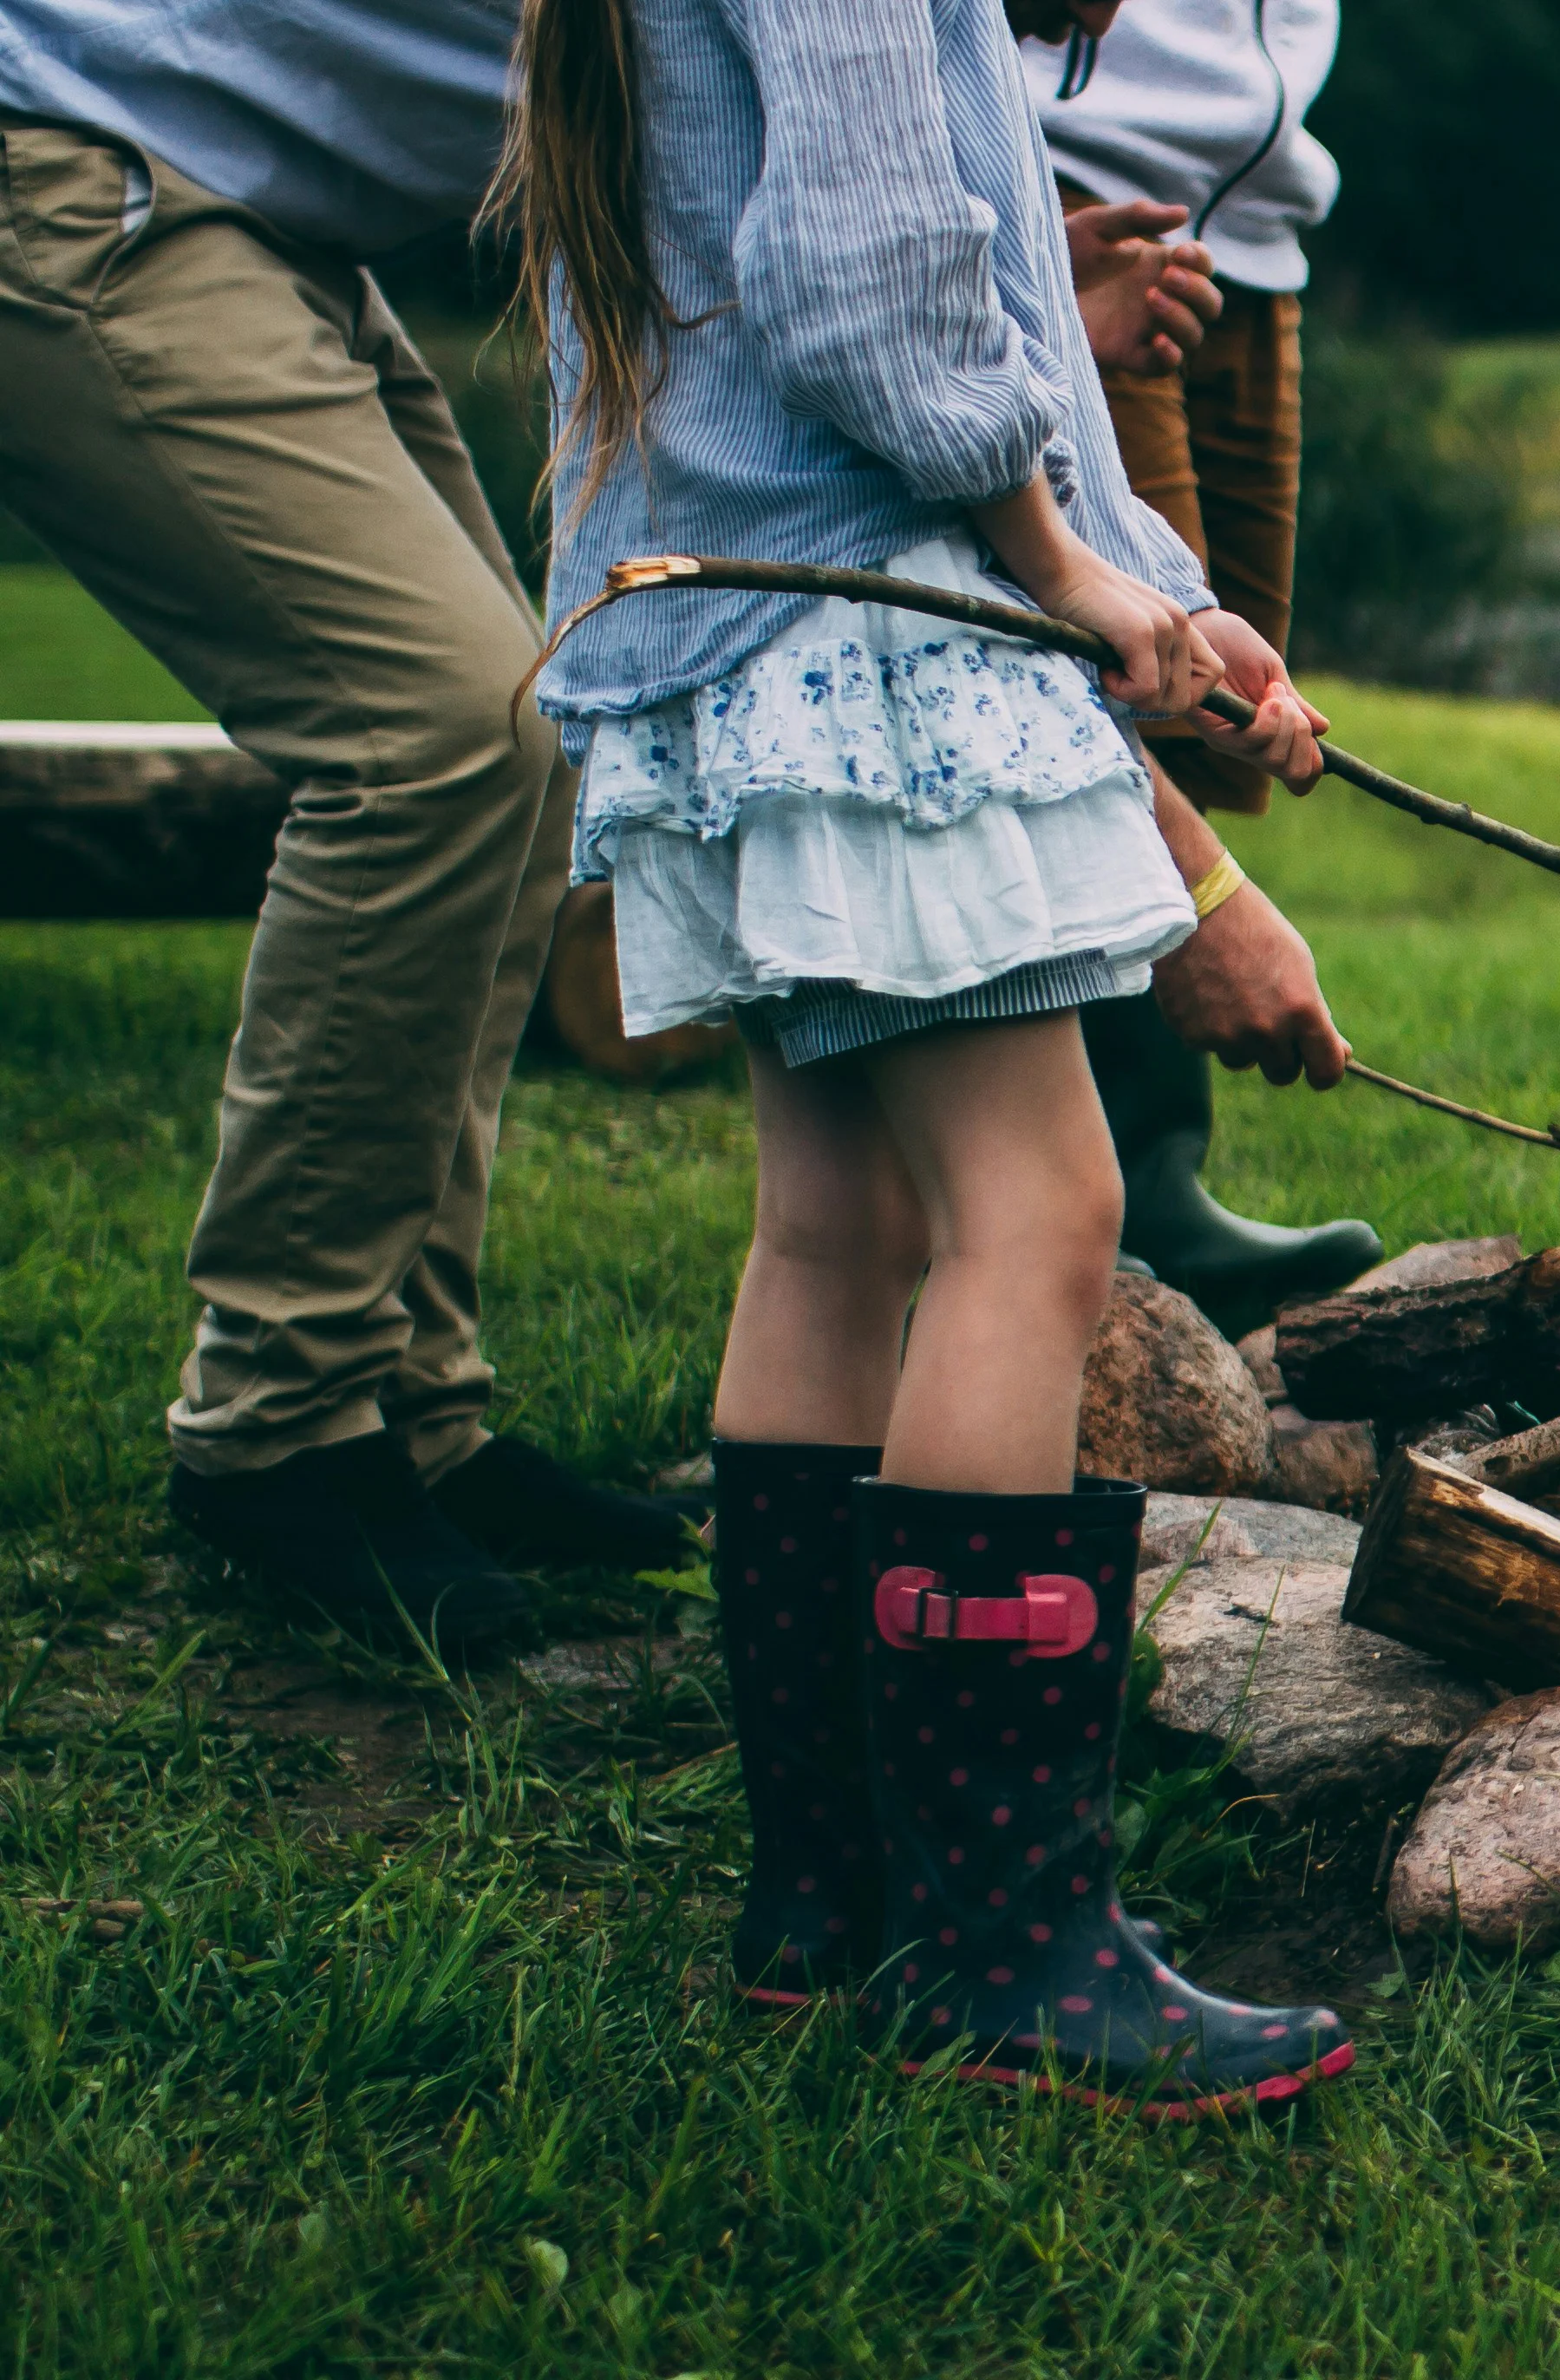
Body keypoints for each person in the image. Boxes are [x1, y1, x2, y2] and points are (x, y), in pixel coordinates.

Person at [500, 0, 1350, 2113]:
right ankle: (1004, 1939)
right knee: (1038, 1219)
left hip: (740, 632)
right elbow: (870, 281)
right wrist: (1070, 578)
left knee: (843, 1224)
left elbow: (975, 332)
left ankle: (834, 1899)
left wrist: (1174, 605)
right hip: (873, 633)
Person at [0, 0, 705, 1651]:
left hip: (257, 206)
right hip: (86, 155)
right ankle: (275, 1426)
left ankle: (406, 1405)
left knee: (517, 746)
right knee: (439, 737)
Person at [1032, 0, 1383, 1334]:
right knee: (1099, 675)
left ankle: (1142, 1169)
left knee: (1204, 695)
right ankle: (1114, 1182)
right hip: (1072, 187)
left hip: (1251, 221)